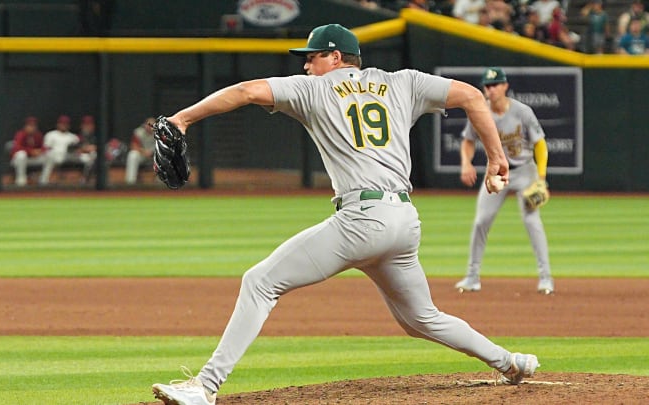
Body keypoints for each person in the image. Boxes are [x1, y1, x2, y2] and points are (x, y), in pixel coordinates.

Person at [150, 24, 539, 405]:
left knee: (259, 282)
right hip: (403, 221)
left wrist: (182, 119)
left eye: (312, 57)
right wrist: (497, 159)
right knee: (422, 318)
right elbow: (472, 96)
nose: (305, 66)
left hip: (361, 219)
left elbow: (245, 91)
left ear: (335, 57)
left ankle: (204, 387)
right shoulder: (404, 82)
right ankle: (510, 363)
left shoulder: (315, 88)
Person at [454, 67, 555, 295]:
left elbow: (540, 144)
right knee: (481, 221)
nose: (490, 89)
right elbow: (468, 141)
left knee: (531, 221)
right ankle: (472, 277)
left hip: (524, 170)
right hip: (497, 173)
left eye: (495, 84)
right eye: (487, 86)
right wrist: (466, 163)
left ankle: (546, 278)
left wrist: (541, 177)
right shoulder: (480, 111)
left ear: (505, 86)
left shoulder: (522, 111)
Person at [39, 115, 89, 185]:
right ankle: (43, 180)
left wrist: (78, 150)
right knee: (50, 155)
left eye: (66, 124)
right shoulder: (51, 134)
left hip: (70, 155)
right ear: (58, 124)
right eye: (62, 123)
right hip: (56, 156)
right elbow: (45, 148)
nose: (64, 125)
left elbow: (79, 148)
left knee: (88, 158)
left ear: (68, 125)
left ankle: (84, 180)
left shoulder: (73, 136)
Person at [9, 116, 44, 186]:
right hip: (18, 160)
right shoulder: (20, 134)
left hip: (32, 159)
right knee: (21, 154)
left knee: (50, 156)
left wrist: (40, 151)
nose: (32, 128)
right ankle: (21, 179)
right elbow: (17, 148)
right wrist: (31, 151)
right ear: (25, 126)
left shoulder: (38, 135)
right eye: (30, 126)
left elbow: (44, 147)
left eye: (34, 126)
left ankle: (44, 180)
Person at [125, 117, 156, 184]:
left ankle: (162, 184)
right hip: (142, 155)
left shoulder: (160, 133)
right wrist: (144, 152)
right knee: (132, 155)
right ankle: (130, 182)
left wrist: (152, 153)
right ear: (145, 125)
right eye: (149, 125)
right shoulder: (138, 132)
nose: (150, 127)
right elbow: (133, 146)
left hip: (155, 156)